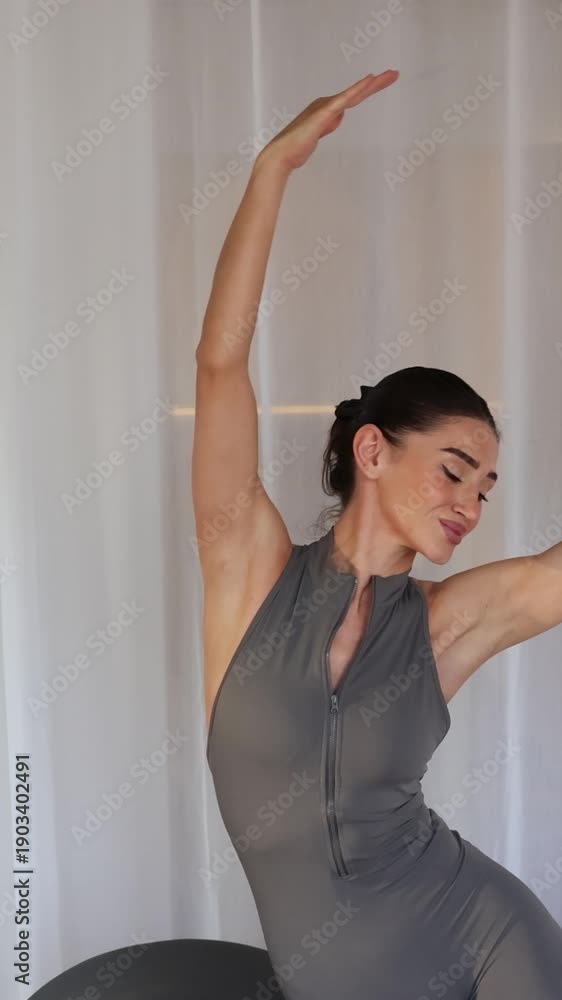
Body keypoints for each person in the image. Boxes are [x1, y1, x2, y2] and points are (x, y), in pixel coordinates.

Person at [192, 72, 562, 998]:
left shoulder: (442, 623)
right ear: (371, 450)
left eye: (485, 489)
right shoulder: (248, 574)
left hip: (489, 943)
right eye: (453, 470)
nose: (470, 504)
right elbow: (220, 364)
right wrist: (272, 170)